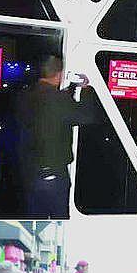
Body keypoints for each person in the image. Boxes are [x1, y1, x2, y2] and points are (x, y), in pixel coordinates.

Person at [16, 55, 99, 218]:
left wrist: (72, 89)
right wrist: (87, 89)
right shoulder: (57, 100)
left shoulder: (25, 96)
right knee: (58, 222)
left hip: (29, 174)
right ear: (59, 74)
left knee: (35, 221)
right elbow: (87, 116)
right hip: (53, 176)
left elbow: (51, 114)